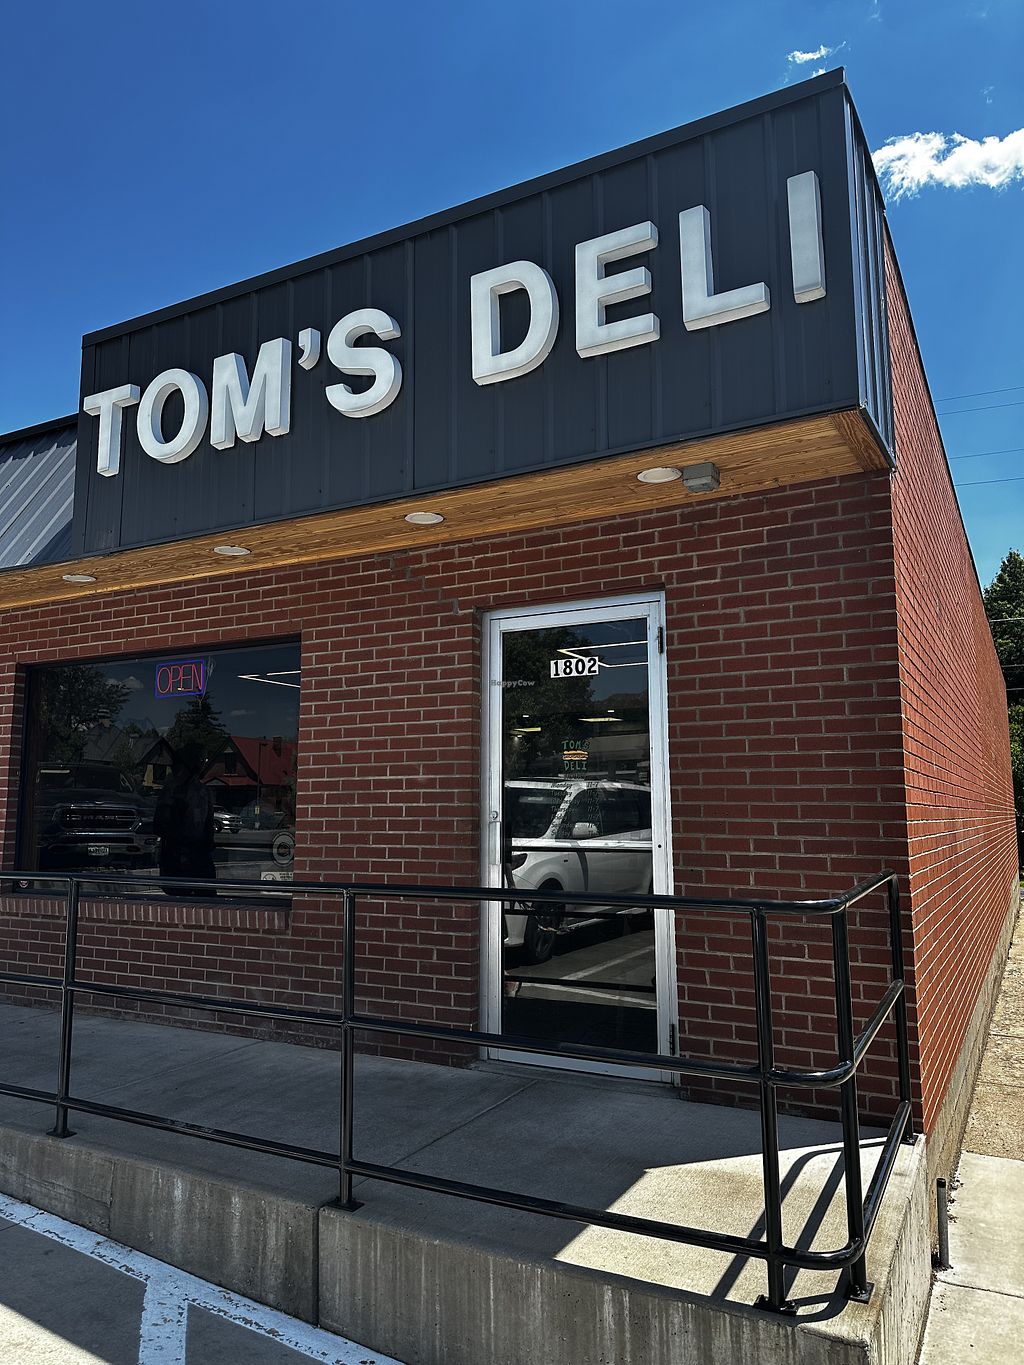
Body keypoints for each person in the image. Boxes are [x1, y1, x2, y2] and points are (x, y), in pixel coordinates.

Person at [154, 744, 216, 894]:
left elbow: (160, 825)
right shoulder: (178, 792)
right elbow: (160, 825)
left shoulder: (199, 792)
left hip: (189, 861)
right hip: (185, 861)